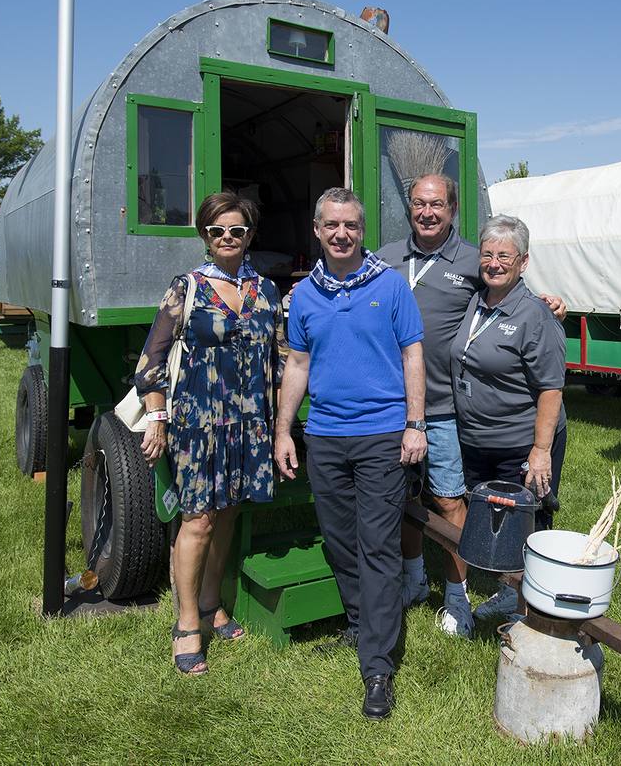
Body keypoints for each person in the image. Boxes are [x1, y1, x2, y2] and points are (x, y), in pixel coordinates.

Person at [376, 174, 565, 640]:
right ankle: (414, 580)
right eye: (419, 203)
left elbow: (518, 302)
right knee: (406, 500)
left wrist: (551, 307)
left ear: (453, 209)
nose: (427, 212)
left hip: (444, 410)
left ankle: (462, 598)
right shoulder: (382, 259)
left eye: (437, 204)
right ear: (409, 207)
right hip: (391, 407)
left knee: (449, 501)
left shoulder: (472, 261)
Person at [274, 187, 426, 721]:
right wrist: (284, 430)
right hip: (326, 437)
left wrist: (414, 424)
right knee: (340, 543)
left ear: (362, 231)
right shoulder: (305, 296)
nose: (342, 234)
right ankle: (364, 627)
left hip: (384, 435)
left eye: (352, 226)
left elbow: (413, 354)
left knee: (378, 547)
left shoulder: (390, 285)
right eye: (332, 225)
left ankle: (378, 668)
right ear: (316, 230)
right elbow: (297, 364)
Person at [134, 191, 283, 675]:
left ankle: (211, 602)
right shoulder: (188, 287)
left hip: (249, 423)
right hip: (199, 423)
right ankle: (185, 624)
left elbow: (280, 360)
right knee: (197, 520)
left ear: (249, 235)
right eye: (217, 230)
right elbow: (150, 361)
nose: (227, 238)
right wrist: (158, 415)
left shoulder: (267, 290)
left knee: (228, 516)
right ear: (204, 235)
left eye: (236, 230)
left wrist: (284, 424)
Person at [449, 215, 568, 621]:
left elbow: (551, 388)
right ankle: (506, 592)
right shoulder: (476, 299)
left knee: (525, 523)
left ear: (524, 262)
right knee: (492, 518)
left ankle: (528, 610)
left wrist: (540, 450)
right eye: (487, 254)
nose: (494, 262)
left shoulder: (535, 315)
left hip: (521, 440)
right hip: (478, 436)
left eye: (505, 255)